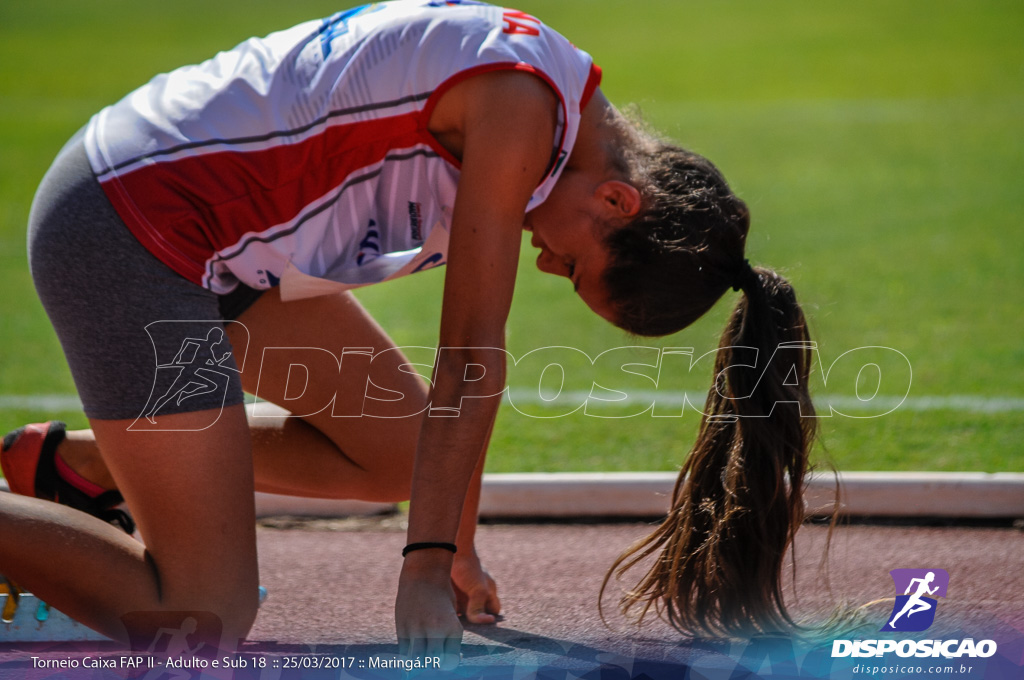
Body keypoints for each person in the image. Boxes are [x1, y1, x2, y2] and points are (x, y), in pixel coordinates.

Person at [0, 0, 817, 660]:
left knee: (395, 452)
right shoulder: (520, 112)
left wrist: (455, 546)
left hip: (223, 248)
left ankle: (73, 472)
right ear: (615, 204)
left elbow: (456, 387)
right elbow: (469, 357)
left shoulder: (552, 105)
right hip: (131, 230)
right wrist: (424, 562)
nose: (545, 267)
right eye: (573, 267)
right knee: (200, 615)